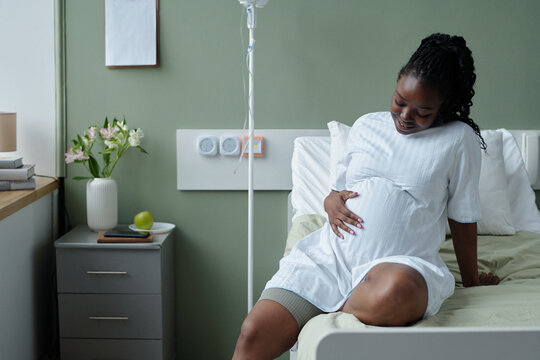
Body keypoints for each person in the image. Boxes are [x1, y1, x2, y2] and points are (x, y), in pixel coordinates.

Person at [233, 33, 500, 360]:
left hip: (399, 266)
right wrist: (328, 202)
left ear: (444, 106)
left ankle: (324, 311)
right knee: (252, 334)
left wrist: (471, 281)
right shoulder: (366, 125)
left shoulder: (459, 139)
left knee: (397, 291)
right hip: (331, 258)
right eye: (400, 101)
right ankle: (328, 302)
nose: (405, 116)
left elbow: (463, 217)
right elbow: (336, 192)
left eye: (423, 111)